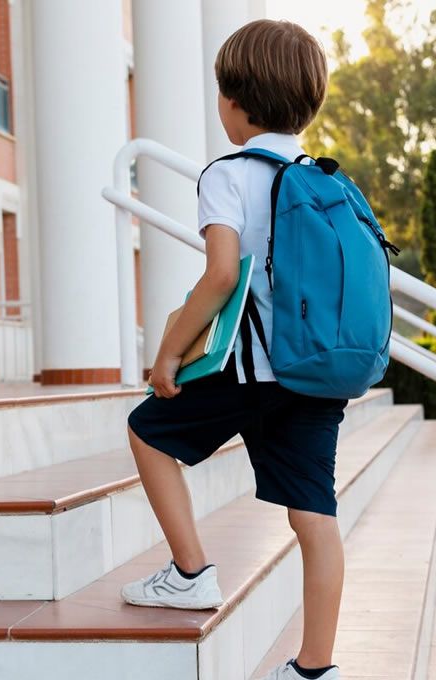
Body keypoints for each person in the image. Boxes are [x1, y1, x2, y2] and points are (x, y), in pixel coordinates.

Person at [119, 19, 345, 680]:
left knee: (146, 431)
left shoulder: (230, 175)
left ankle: (191, 572)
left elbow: (221, 277)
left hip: (252, 370)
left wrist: (167, 354)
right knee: (316, 517)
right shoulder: (323, 181)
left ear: (233, 102)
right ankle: (315, 669)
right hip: (317, 372)